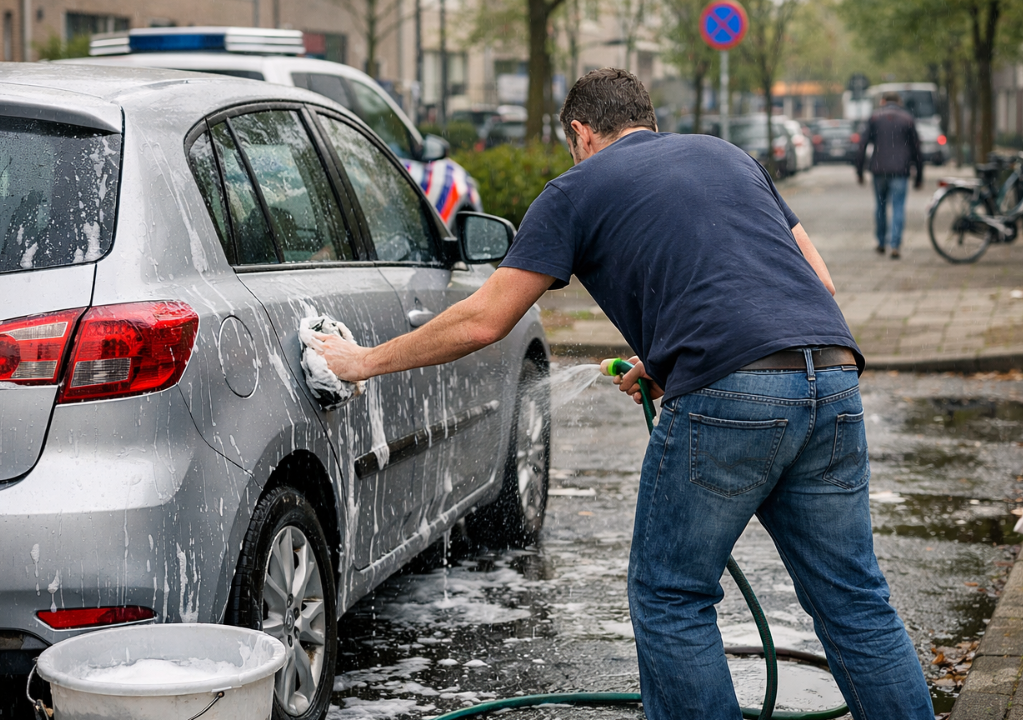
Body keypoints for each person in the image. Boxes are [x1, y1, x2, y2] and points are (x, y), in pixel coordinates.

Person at [315, 68, 932, 720]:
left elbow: (483, 320)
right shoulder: (727, 155)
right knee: (854, 600)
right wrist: (668, 360)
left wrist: (361, 362)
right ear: (649, 118)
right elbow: (821, 283)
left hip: (730, 395)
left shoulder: (574, 189)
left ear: (580, 132)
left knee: (672, 595)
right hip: (831, 372)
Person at [856, 91, 924, 259]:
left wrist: (859, 171)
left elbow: (862, 145)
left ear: (883, 101)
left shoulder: (874, 118)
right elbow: (917, 149)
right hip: (901, 170)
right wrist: (919, 175)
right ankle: (895, 244)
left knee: (880, 207)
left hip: (879, 169)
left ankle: (881, 242)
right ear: (899, 102)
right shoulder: (907, 119)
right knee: (898, 207)